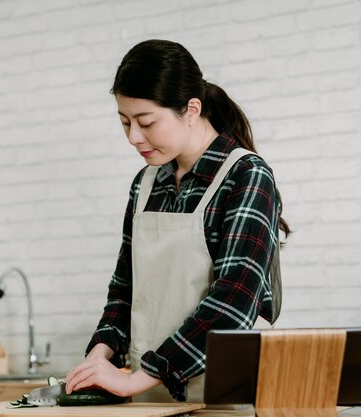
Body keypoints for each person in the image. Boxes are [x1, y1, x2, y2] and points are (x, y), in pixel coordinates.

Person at [64, 39, 289, 403]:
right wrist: (99, 355)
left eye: (146, 122)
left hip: (218, 397)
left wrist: (136, 380)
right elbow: (125, 289)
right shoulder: (145, 184)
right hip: (147, 397)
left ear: (191, 109)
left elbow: (234, 301)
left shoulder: (245, 175)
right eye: (125, 123)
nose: (134, 138)